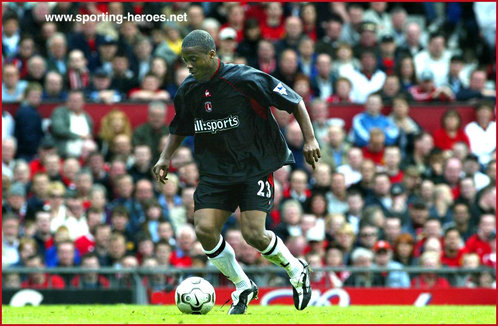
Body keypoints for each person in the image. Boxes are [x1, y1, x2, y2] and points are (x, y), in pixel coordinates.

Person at [152, 30, 320, 314]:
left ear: (212, 55)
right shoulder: (188, 90)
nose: (189, 65)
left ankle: (296, 269)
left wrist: (310, 139)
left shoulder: (245, 79)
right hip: (216, 172)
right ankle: (243, 285)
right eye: (185, 60)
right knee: (204, 229)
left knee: (254, 234)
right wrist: (165, 156)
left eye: (193, 59)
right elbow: (180, 125)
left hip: (253, 168)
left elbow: (295, 101)